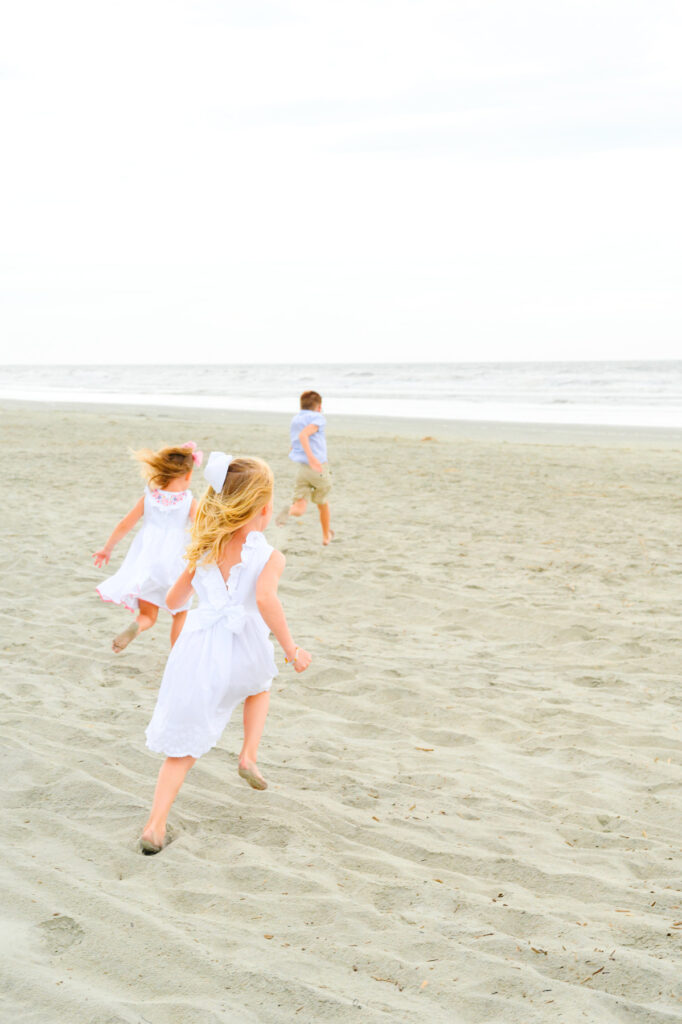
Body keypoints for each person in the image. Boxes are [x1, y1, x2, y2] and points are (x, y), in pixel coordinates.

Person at [140, 451, 311, 855]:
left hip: (200, 647)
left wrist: (194, 592)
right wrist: (291, 648)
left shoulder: (203, 548)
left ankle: (155, 825)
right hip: (244, 644)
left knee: (182, 749)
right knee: (259, 685)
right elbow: (267, 601)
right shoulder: (270, 556)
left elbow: (174, 599)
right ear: (265, 509)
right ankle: (249, 754)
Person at [93, 442, 202, 653]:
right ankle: (176, 655)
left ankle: (138, 625)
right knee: (179, 613)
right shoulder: (189, 501)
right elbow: (201, 531)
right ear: (188, 475)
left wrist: (107, 548)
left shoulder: (149, 498)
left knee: (148, 615)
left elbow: (125, 524)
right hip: (176, 565)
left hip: (147, 564)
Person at [282, 389, 334, 544]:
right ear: (318, 407)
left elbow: (296, 439)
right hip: (317, 468)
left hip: (302, 470)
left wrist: (295, 449)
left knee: (299, 508)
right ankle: (326, 536)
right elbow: (303, 435)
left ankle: (289, 511)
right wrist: (312, 459)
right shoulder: (318, 418)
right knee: (322, 503)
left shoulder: (296, 419)